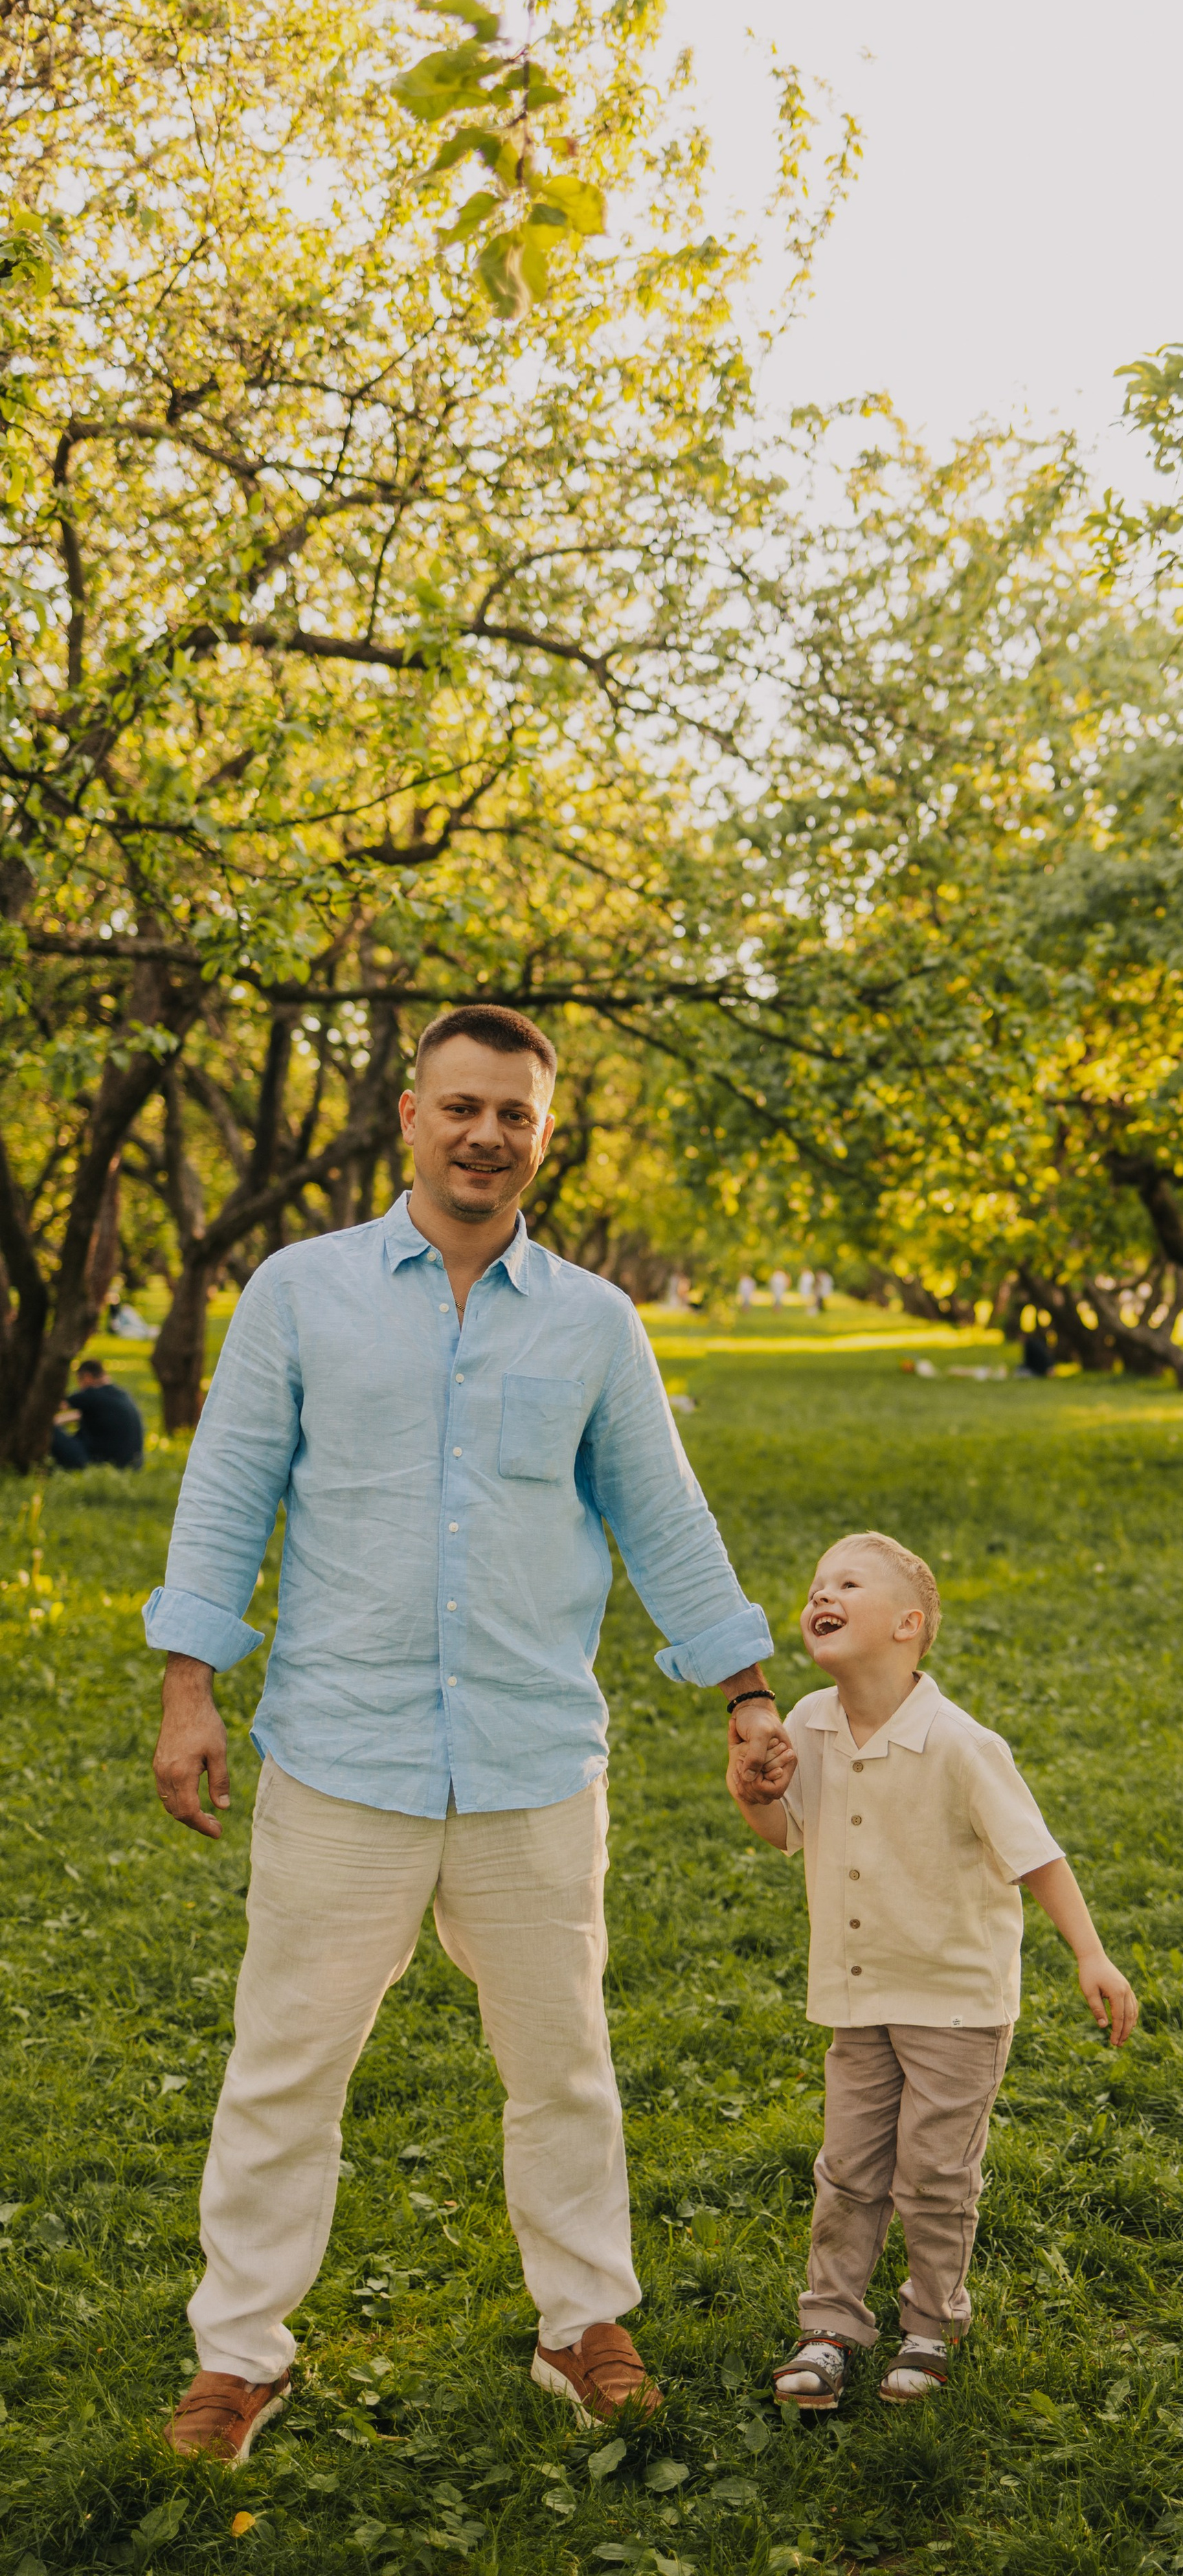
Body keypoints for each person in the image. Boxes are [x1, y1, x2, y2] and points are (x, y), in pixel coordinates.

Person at [144, 1003, 793, 2467]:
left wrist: (745, 1694)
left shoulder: (592, 1322)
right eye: (461, 1107)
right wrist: (190, 1687)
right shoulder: (298, 1294)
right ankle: (239, 2354)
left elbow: (665, 1518)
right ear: (409, 1115)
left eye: (515, 1114)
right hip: (341, 1756)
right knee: (284, 2067)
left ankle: (581, 2324)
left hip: (526, 1765)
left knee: (562, 2065)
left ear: (542, 1139)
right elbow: (228, 1492)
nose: (486, 1134)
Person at [727, 1532, 1136, 2410]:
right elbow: (785, 1828)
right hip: (858, 1990)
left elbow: (1036, 1857)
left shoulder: (960, 1743)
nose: (819, 1595)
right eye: (813, 1585)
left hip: (956, 2001)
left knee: (934, 2174)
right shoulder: (805, 1722)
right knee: (848, 2167)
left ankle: (930, 2325)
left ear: (908, 1626)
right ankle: (830, 2327)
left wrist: (1091, 1955)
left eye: (846, 1582)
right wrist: (750, 1790)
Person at [51, 1359, 145, 1470]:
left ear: (87, 1377)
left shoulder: (92, 1394)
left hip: (98, 1461)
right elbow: (79, 1415)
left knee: (47, 1428)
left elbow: (56, 1406)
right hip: (133, 1464)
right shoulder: (121, 1395)